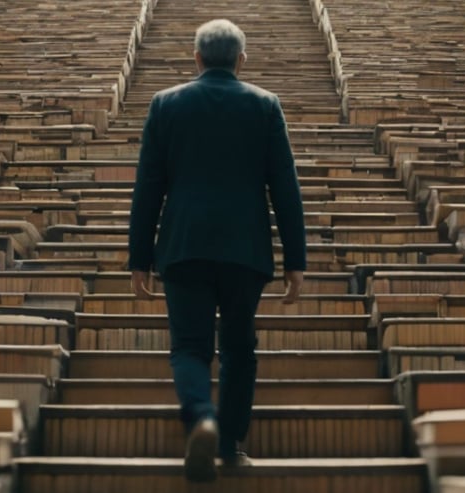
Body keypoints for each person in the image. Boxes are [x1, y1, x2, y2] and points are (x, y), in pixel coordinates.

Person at [127, 18, 307, 483]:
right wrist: (296, 261)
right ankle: (229, 444)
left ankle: (201, 416)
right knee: (239, 349)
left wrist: (138, 259)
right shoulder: (266, 106)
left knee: (189, 346)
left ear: (197, 58)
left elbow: (148, 187)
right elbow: (285, 188)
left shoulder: (165, 104)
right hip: (245, 248)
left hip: (184, 245)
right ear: (241, 60)